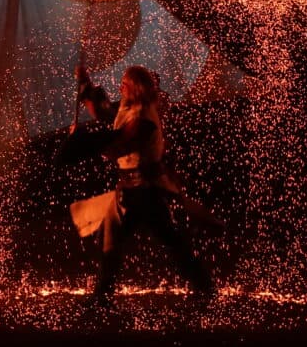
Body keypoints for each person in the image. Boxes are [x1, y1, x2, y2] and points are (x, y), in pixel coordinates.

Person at [63, 65, 215, 308]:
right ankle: (103, 296)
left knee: (169, 242)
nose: (120, 85)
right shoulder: (128, 107)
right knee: (117, 241)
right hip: (130, 191)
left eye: (125, 82)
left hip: (145, 191)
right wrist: (85, 83)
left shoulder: (144, 117)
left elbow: (120, 147)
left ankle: (205, 288)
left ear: (136, 87)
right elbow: (103, 110)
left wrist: (79, 141)